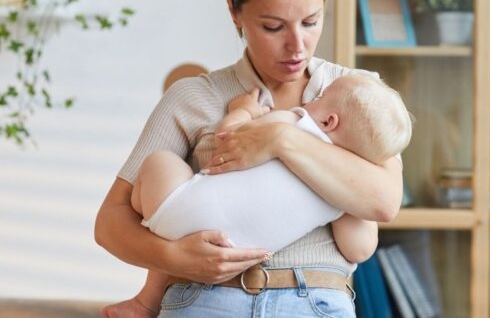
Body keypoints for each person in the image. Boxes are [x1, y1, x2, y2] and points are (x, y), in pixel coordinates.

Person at [94, 0, 406, 317]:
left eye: (311, 22)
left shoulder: (359, 95)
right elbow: (110, 222)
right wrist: (173, 256)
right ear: (234, 11)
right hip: (204, 298)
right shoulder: (193, 97)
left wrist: (280, 139)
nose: (297, 46)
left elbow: (384, 200)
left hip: (315, 301)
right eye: (273, 27)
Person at [101, 74, 412, 318]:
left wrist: (242, 111)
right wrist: (348, 203)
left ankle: (145, 299)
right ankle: (146, 298)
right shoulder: (340, 195)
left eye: (320, 97)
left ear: (330, 121)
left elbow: (230, 137)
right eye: (273, 26)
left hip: (190, 222)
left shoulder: (293, 121)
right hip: (214, 265)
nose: (295, 42)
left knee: (158, 163)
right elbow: (359, 249)